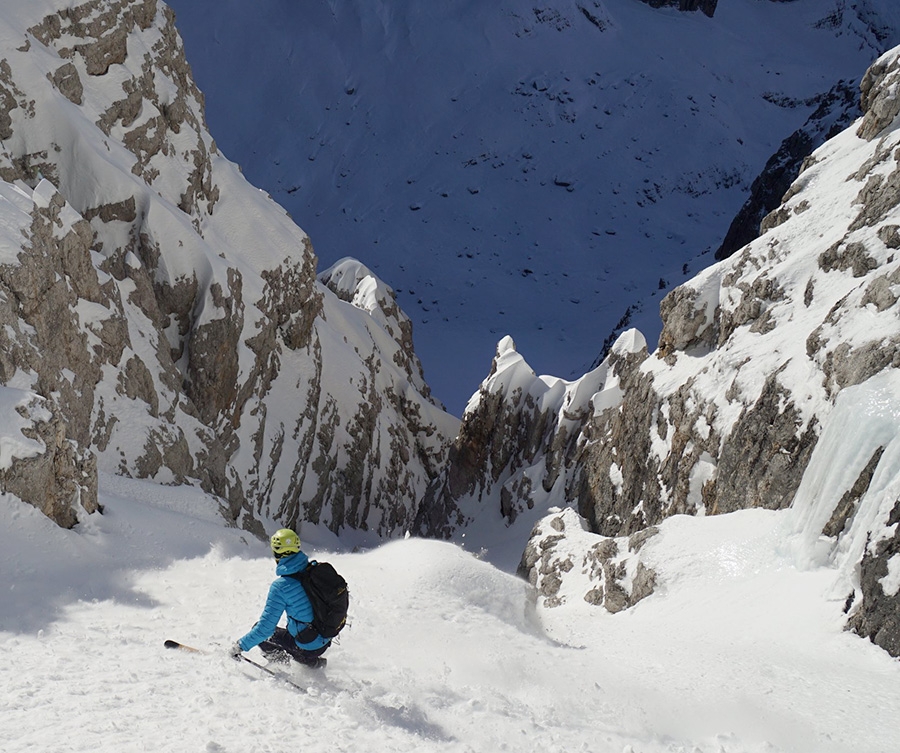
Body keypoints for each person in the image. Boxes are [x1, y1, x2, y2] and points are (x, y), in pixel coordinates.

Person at [229, 528, 330, 668]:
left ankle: (282, 667)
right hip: (325, 637)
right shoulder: (314, 571)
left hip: (307, 645)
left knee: (264, 634)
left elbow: (265, 629)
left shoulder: (281, 587)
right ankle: (313, 662)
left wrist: (240, 646)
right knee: (296, 632)